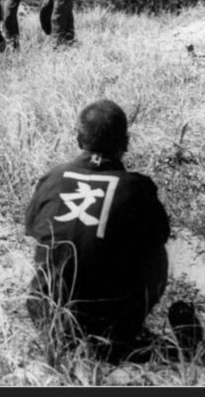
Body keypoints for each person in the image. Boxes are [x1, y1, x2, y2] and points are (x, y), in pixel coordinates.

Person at [25, 100, 170, 362]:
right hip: (112, 328)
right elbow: (158, 237)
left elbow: (33, 230)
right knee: (154, 248)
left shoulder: (53, 177)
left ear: (79, 138)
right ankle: (124, 329)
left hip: (49, 319)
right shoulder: (137, 188)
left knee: (52, 241)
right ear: (125, 142)